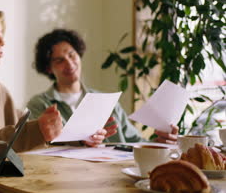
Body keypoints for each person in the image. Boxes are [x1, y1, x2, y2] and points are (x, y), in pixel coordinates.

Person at [0, 7, 113, 152]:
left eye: (2, 33)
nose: (2, 41)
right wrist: (39, 130)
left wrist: (78, 138)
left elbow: (26, 130)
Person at [27, 29, 179, 146]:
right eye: (59, 60)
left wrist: (161, 143)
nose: (69, 63)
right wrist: (80, 142)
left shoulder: (108, 103)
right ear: (48, 68)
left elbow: (136, 144)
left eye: (72, 55)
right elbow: (38, 147)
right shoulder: (40, 105)